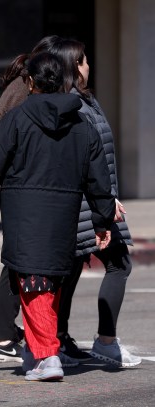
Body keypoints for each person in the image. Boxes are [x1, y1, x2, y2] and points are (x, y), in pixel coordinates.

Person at [0, 52, 115, 381]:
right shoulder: (83, 122)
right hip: (64, 214)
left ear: (31, 82)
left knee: (34, 282)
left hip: (24, 212)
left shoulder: (17, 120)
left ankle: (47, 356)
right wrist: (102, 220)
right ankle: (37, 352)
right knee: (49, 281)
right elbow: (98, 178)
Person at [52, 38, 142, 368]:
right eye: (85, 60)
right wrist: (106, 199)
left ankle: (61, 339)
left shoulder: (85, 101)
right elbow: (84, 161)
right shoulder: (71, 106)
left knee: (73, 271)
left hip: (98, 199)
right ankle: (103, 342)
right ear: (75, 66)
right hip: (91, 203)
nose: (89, 66)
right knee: (117, 264)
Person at [0, 35, 62, 362]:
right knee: (18, 264)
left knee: (16, 262)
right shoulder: (25, 92)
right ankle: (7, 338)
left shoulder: (18, 85)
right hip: (25, 187)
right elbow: (4, 145)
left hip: (19, 186)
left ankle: (5, 337)